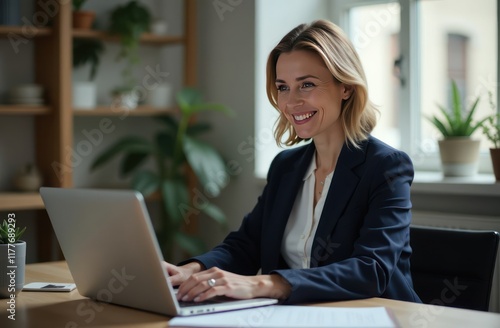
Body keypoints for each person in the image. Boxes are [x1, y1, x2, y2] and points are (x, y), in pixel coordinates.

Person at [166, 19, 421, 305]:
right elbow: (246, 246)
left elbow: (371, 270)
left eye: (307, 85)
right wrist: (189, 271)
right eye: (283, 87)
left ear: (346, 87)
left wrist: (265, 283)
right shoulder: (286, 166)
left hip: (378, 316)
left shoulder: (386, 166)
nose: (291, 102)